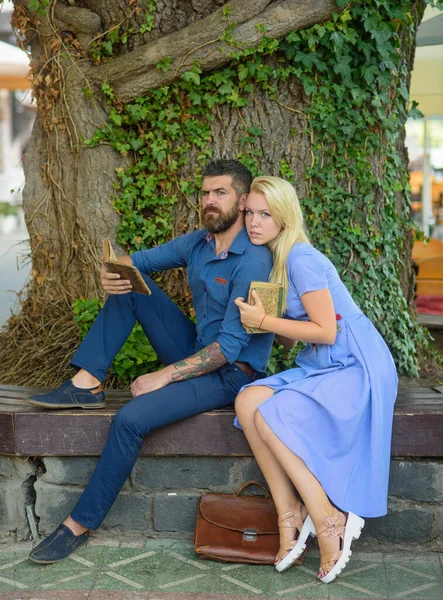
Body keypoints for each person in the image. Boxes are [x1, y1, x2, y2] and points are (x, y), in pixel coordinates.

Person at [27, 159, 274, 564]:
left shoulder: (253, 260)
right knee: (129, 287)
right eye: (206, 192)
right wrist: (112, 275)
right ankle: (86, 384)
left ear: (244, 201)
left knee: (130, 419)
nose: (209, 201)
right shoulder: (198, 242)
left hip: (229, 375)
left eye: (221, 193)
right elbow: (132, 262)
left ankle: (79, 525)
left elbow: (229, 348)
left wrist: (162, 376)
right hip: (194, 349)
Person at [234, 176, 397, 584]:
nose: (254, 222)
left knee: (270, 414)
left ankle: (329, 518)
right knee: (247, 402)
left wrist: (266, 321)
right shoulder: (277, 259)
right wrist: (264, 323)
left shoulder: (300, 259)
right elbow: (301, 334)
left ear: (284, 217)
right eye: (250, 212)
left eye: (265, 214)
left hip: (356, 363)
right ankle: (289, 514)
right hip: (325, 363)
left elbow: (328, 331)